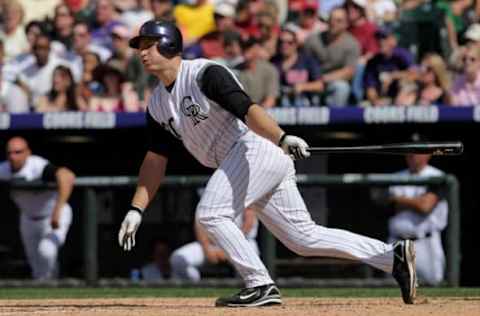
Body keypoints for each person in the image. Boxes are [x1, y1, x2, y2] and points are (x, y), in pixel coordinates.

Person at [117, 19, 417, 307]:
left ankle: (259, 284)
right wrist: (136, 208)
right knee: (303, 238)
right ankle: (392, 257)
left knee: (211, 213)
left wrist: (281, 137)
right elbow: (155, 159)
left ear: (169, 45)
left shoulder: (205, 73)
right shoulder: (157, 103)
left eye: (149, 44)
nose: (142, 52)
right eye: (139, 45)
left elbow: (248, 109)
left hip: (252, 147)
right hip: (244, 159)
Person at [0, 137, 75, 280]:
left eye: (17, 152)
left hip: (54, 214)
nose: (12, 156)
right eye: (9, 153)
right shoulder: (4, 169)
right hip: (28, 218)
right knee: (36, 268)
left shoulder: (37, 165)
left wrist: (57, 210)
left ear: (27, 152)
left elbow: (67, 176)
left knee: (47, 251)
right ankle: (45, 296)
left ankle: (53, 288)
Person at [383, 134, 448, 285]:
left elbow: (425, 206)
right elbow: (384, 203)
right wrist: (415, 202)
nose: (412, 154)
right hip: (396, 242)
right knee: (391, 292)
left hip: (425, 243)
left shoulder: (437, 176)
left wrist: (399, 200)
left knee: (435, 289)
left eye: (417, 150)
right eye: (410, 150)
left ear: (428, 154)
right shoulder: (395, 177)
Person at [170, 207, 259, 282]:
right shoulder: (211, 193)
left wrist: (229, 249)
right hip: (211, 244)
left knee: (251, 262)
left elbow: (248, 223)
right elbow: (199, 224)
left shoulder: (242, 190)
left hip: (242, 243)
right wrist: (206, 248)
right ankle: (195, 287)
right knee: (178, 259)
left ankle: (248, 288)